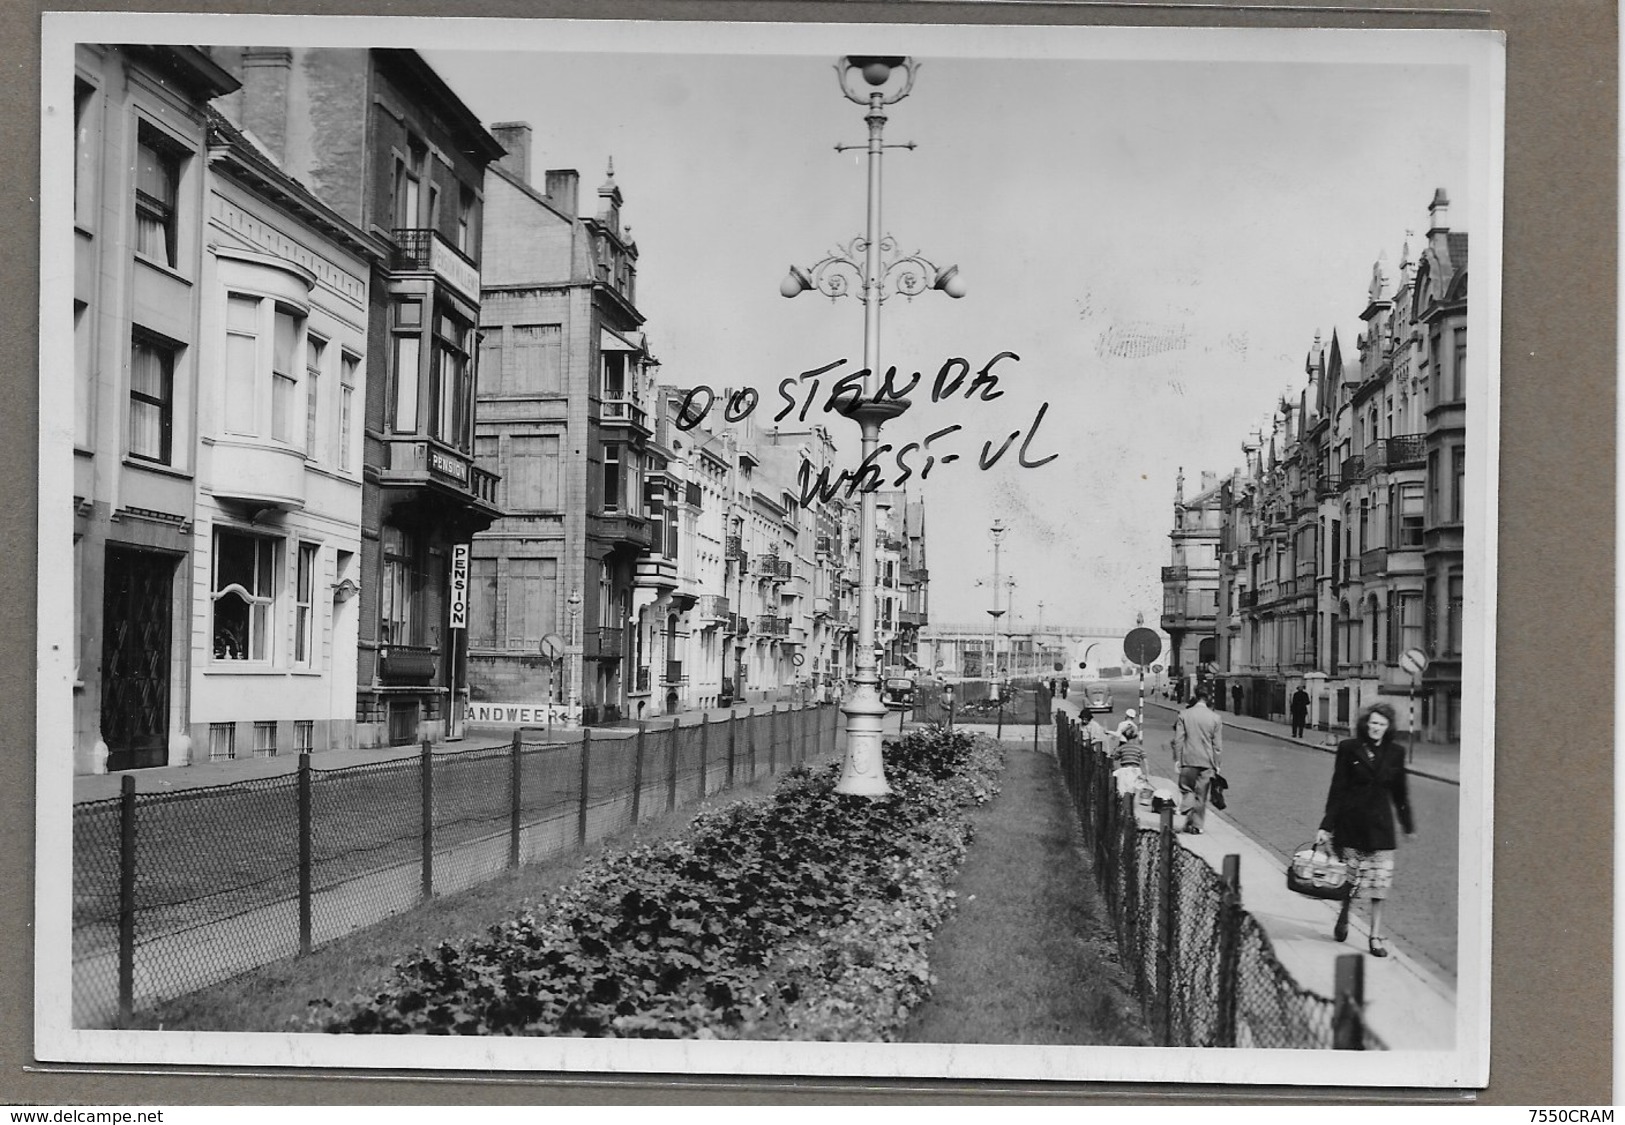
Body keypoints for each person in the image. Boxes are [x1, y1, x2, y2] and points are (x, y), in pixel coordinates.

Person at [1317, 701, 1415, 958]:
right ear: (1365, 724)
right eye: (1373, 723)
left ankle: (1374, 936)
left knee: (1380, 884)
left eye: (1381, 724)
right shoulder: (1349, 748)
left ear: (1388, 727)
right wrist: (1326, 825)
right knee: (1349, 881)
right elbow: (1337, 788)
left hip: (1381, 829)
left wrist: (1407, 825)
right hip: (1351, 825)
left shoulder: (1395, 753)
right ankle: (1344, 914)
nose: (1376, 728)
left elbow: (1400, 793)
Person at [1171, 688, 1224, 834]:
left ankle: (1185, 812)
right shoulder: (1215, 718)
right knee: (1202, 795)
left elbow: (1178, 740)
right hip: (1207, 762)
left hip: (1188, 760)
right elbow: (1217, 746)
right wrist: (1217, 764)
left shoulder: (1184, 714)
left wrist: (1178, 759)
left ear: (1195, 696)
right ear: (1208, 699)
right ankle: (1197, 826)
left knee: (1186, 789)